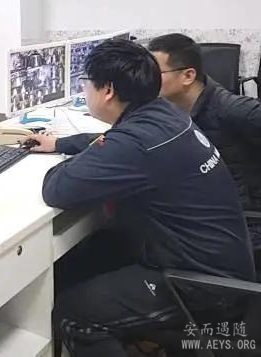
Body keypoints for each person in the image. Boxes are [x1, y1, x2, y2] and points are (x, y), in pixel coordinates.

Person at [26, 40, 254, 357]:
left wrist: (89, 155)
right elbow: (119, 143)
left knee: (75, 312)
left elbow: (57, 188)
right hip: (222, 263)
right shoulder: (164, 113)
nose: (84, 91)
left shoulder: (136, 141)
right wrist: (66, 144)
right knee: (90, 253)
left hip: (203, 286)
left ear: (107, 90)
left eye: (85, 83)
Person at [148, 33, 261, 255]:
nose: (146, 79)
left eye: (154, 73)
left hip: (242, 226)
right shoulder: (173, 108)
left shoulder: (232, 110)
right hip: (210, 210)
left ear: (188, 76)